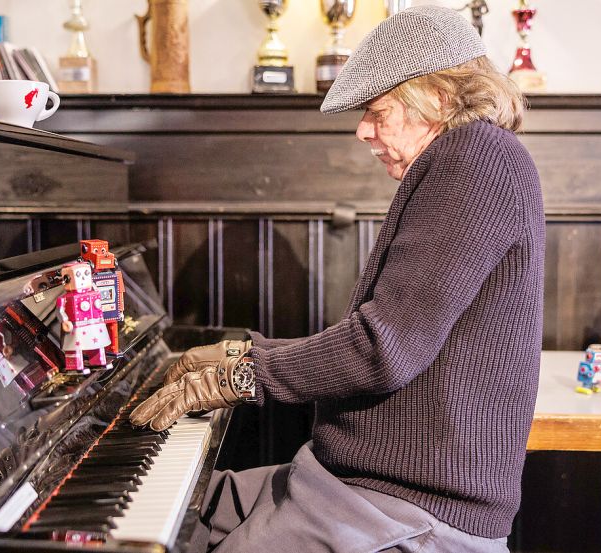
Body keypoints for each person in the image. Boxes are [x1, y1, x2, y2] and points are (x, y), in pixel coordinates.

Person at [131, 5, 544, 552]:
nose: (363, 130)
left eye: (378, 111)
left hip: (408, 510)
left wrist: (242, 372)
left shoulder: (478, 158)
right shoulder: (468, 158)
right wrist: (239, 352)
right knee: (179, 510)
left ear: (440, 99)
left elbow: (382, 349)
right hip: (352, 486)